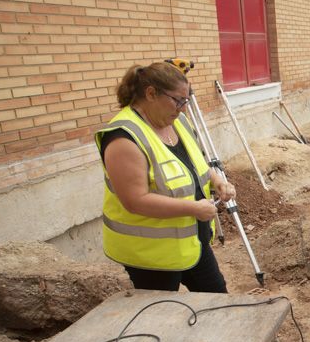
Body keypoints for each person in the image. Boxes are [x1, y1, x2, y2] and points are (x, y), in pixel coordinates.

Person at [95, 62, 236, 292]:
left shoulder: (177, 121)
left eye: (186, 101)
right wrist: (193, 209)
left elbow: (195, 164)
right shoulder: (124, 139)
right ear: (151, 93)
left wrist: (217, 181)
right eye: (178, 101)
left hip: (190, 243)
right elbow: (135, 200)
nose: (183, 108)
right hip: (151, 256)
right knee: (160, 314)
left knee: (217, 295)